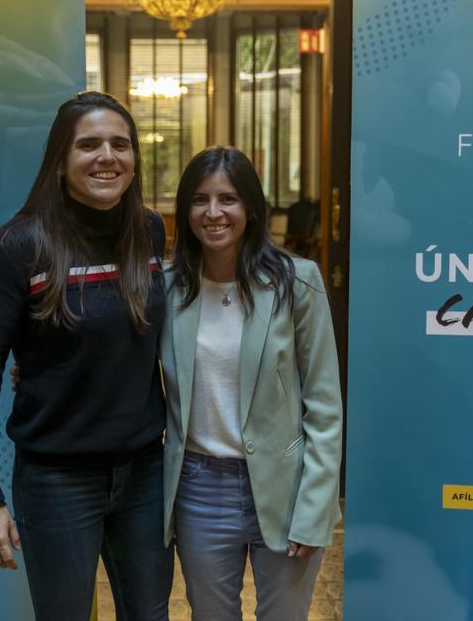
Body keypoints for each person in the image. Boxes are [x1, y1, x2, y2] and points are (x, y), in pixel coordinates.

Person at [0, 92, 173, 620]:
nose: (107, 156)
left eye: (121, 144)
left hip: (145, 472)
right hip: (57, 483)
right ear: (60, 158)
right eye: (89, 144)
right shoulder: (19, 245)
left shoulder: (148, 231)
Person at [160, 146, 343, 620]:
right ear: (185, 210)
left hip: (286, 488)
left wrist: (315, 508)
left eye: (228, 199)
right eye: (200, 200)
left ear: (251, 208)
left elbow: (324, 407)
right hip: (199, 490)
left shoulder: (296, 282)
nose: (214, 212)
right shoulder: (166, 287)